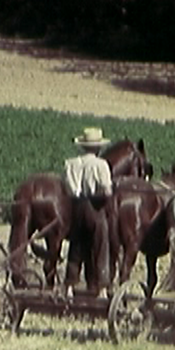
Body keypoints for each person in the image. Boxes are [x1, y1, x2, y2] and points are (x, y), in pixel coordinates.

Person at [63, 127, 114, 299]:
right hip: (95, 208)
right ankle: (101, 289)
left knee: (76, 248)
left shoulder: (72, 164)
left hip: (77, 207)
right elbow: (107, 191)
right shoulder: (101, 165)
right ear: (98, 148)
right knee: (101, 246)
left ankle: (69, 286)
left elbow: (68, 189)